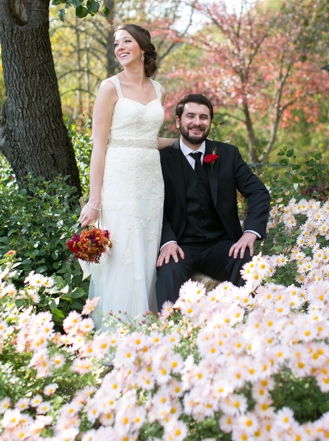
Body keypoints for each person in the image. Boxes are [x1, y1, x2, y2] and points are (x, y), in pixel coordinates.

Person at [78, 24, 168, 329]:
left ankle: (146, 330)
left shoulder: (159, 90)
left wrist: (188, 144)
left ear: (143, 47)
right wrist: (94, 201)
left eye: (127, 41)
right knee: (123, 254)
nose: (120, 47)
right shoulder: (109, 87)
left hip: (152, 185)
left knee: (145, 255)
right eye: (117, 43)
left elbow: (149, 139)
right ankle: (118, 335)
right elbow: (99, 147)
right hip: (119, 181)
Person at [155, 93, 271, 311]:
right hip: (181, 245)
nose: (197, 122)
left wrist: (250, 233)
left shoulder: (228, 154)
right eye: (190, 116)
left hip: (221, 244)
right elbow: (152, 207)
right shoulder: (161, 160)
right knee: (168, 271)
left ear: (209, 122)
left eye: (203, 117)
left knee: (246, 262)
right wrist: (167, 240)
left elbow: (258, 192)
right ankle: (166, 331)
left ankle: (244, 321)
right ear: (178, 121)